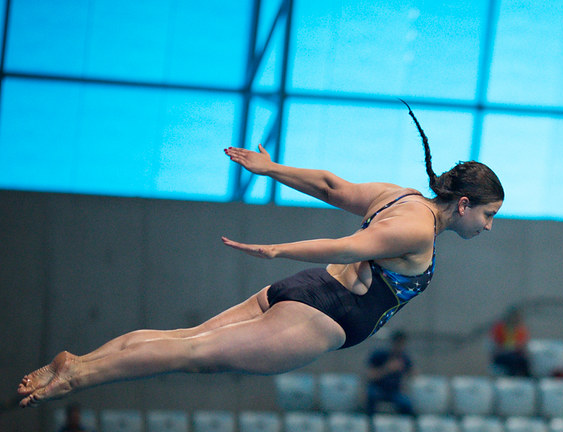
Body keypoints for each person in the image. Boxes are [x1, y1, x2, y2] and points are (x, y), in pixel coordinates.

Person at [16, 104, 503, 408]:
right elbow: (351, 246)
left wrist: (273, 170)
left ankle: (79, 360)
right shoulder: (420, 229)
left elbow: (333, 186)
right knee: (194, 355)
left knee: (186, 338)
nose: (488, 225)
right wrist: (278, 248)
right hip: (324, 316)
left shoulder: (401, 197)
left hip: (310, 289)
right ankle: (77, 376)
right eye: (488, 214)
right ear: (463, 203)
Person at [365, 330, 414, 415]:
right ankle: (370, 422)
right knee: (371, 396)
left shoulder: (404, 358)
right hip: (378, 388)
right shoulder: (380, 355)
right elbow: (370, 376)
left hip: (394, 391)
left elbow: (413, 374)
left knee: (406, 404)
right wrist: (387, 369)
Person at [490, 306, 531, 377]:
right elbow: (495, 343)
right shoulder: (499, 328)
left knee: (523, 361)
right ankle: (512, 378)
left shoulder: (520, 329)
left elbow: (522, 343)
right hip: (502, 354)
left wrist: (519, 348)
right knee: (512, 360)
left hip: (515, 353)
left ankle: (527, 379)